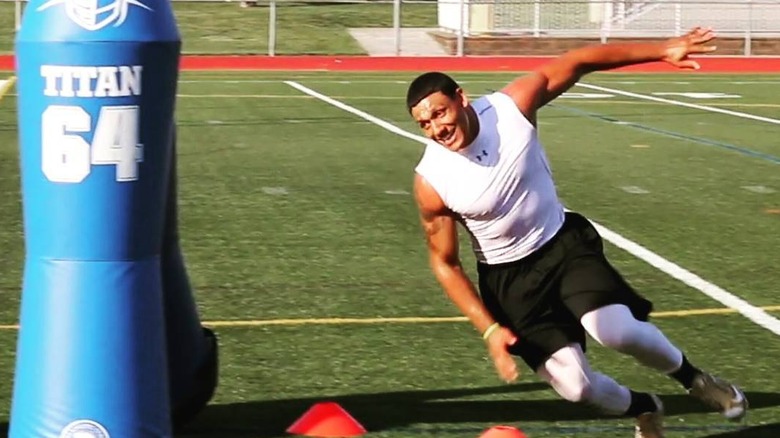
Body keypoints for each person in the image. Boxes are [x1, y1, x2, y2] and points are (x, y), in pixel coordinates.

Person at [407, 27, 747, 438]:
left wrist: (661, 49)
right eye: (425, 124)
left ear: (461, 97)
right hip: (508, 281)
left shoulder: (512, 107)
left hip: (562, 247)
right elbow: (445, 263)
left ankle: (696, 381)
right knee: (575, 387)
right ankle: (645, 408)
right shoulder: (431, 181)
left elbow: (579, 60)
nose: (437, 129)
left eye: (440, 113)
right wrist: (490, 328)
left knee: (615, 331)